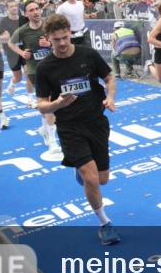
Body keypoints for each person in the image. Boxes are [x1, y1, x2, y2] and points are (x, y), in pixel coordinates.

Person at [36, 13, 120, 246]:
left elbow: (110, 78)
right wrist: (57, 104)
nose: (62, 43)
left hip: (96, 122)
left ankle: (81, 171)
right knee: (91, 178)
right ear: (48, 39)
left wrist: (110, 97)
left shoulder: (88, 54)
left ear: (71, 34)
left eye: (65, 37)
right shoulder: (45, 68)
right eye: (56, 40)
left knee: (102, 179)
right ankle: (105, 223)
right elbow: (41, 103)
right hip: (69, 127)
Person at [10, 1, 62, 158]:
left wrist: (49, 45)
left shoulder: (49, 25)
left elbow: (62, 43)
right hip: (35, 71)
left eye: (37, 9)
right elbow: (10, 43)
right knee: (50, 104)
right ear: (26, 14)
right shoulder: (22, 30)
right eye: (31, 10)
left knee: (51, 104)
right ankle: (53, 141)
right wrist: (22, 53)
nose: (35, 12)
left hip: (53, 67)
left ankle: (44, 128)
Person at [0, 1, 26, 96]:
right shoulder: (3, 22)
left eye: (15, 6)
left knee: (29, 73)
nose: (14, 8)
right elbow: (2, 37)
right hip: (11, 52)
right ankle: (12, 84)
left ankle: (30, 99)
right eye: (11, 6)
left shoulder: (24, 19)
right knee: (18, 77)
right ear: (7, 9)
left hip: (24, 50)